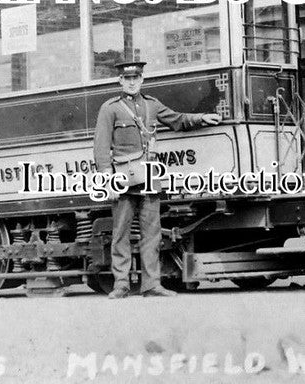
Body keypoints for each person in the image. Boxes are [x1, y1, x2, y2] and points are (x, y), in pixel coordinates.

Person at [93, 60, 221, 299]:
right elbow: (101, 147)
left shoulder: (152, 105)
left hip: (149, 179)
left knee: (151, 236)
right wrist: (106, 180)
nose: (132, 82)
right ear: (120, 81)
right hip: (123, 182)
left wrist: (202, 118)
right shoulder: (110, 108)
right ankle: (121, 284)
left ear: (142, 79)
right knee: (120, 234)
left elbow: (177, 119)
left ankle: (151, 285)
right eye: (127, 78)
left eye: (136, 78)